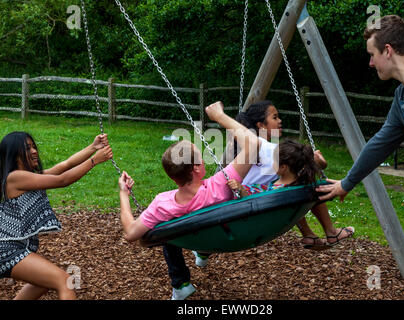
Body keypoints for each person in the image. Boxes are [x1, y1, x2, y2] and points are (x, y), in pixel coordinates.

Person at [315, 15, 404, 299]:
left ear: (388, 50)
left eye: (372, 55)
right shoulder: (402, 101)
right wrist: (346, 183)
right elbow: (379, 144)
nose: (371, 63)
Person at [117, 101, 260, 300]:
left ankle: (181, 283)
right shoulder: (221, 183)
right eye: (201, 158)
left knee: (167, 228)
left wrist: (124, 194)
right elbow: (253, 143)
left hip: (193, 238)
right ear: (196, 168)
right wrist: (219, 116)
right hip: (225, 239)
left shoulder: (163, 203)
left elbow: (131, 234)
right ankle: (202, 253)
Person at [0, 131, 113, 300]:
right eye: (27, 148)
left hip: (14, 248)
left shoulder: (28, 178)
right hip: (7, 250)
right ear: (14, 155)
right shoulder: (15, 178)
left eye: (33, 147)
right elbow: (62, 180)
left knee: (45, 282)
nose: (34, 151)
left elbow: (65, 164)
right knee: (65, 280)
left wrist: (93, 147)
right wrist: (94, 160)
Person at [231, 100, 354, 250]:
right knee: (303, 184)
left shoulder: (251, 148)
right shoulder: (269, 149)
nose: (280, 121)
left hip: (255, 200)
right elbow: (305, 160)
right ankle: (330, 232)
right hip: (257, 207)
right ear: (261, 125)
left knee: (292, 182)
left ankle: (309, 234)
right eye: (275, 117)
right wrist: (319, 162)